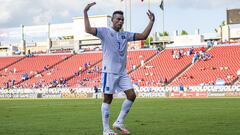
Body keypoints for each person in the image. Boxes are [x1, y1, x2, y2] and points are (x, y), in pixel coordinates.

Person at [84, 2, 155, 135]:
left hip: (122, 72)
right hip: (109, 71)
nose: (120, 21)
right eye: (118, 19)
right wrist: (85, 12)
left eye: (122, 20)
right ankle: (106, 130)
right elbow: (88, 29)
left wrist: (151, 22)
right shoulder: (105, 32)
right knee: (108, 99)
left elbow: (143, 36)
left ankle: (118, 122)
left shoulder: (125, 35)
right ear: (112, 20)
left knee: (131, 95)